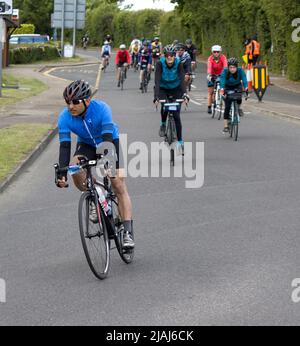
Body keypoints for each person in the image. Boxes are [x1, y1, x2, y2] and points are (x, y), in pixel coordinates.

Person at [56, 80, 134, 249]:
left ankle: (127, 231)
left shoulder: (102, 109)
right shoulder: (64, 117)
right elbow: (65, 146)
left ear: (87, 101)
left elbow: (106, 140)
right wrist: (62, 172)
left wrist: (107, 161)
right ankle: (94, 194)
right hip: (86, 144)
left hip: (109, 140)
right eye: (68, 102)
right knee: (74, 169)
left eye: (75, 102)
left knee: (117, 182)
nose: (71, 106)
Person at [154, 45, 189, 153]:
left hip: (176, 89)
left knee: (176, 116)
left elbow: (182, 79)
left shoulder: (179, 63)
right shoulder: (160, 63)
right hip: (163, 88)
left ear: (175, 56)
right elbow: (157, 81)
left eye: (172, 55)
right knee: (164, 106)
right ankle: (163, 124)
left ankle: (180, 141)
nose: (169, 58)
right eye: (167, 55)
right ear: (164, 56)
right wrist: (156, 97)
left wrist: (185, 94)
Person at [219, 58, 248, 134]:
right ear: (228, 67)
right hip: (227, 87)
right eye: (230, 67)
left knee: (239, 98)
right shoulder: (225, 71)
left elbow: (244, 79)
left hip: (237, 86)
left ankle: (238, 108)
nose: (232, 69)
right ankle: (225, 126)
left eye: (234, 67)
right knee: (227, 106)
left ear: (236, 67)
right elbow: (222, 80)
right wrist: (222, 89)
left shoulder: (240, 71)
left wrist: (246, 88)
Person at [207, 45, 228, 114]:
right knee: (210, 92)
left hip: (221, 75)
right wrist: (209, 74)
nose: (216, 53)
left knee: (224, 90)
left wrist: (225, 74)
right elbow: (209, 67)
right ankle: (209, 106)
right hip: (212, 74)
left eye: (218, 52)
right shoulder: (210, 58)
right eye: (214, 52)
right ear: (212, 52)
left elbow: (225, 66)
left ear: (220, 52)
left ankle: (226, 104)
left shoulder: (223, 57)